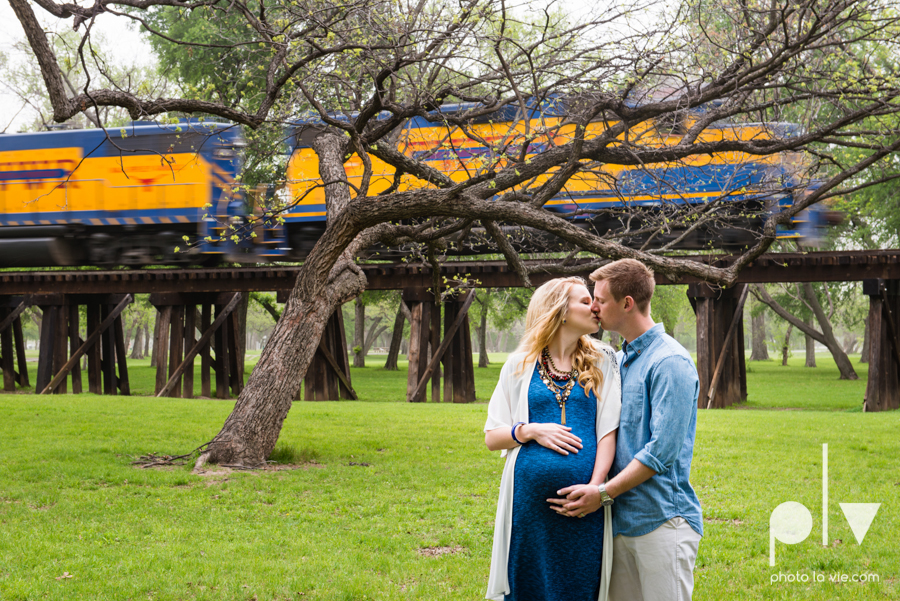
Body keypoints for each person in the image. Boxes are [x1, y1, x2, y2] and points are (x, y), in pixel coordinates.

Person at [553, 258, 703, 601]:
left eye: (600, 300)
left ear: (627, 303)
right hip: (617, 524)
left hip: (662, 523)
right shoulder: (619, 361)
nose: (593, 307)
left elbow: (660, 453)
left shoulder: (670, 363)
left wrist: (602, 493)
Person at [484, 277, 621, 601]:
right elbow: (492, 437)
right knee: (527, 587)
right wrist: (529, 430)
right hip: (529, 509)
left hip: (582, 506)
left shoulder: (604, 359)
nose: (595, 307)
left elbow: (607, 432)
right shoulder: (519, 365)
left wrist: (596, 489)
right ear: (560, 311)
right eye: (586, 301)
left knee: (578, 585)